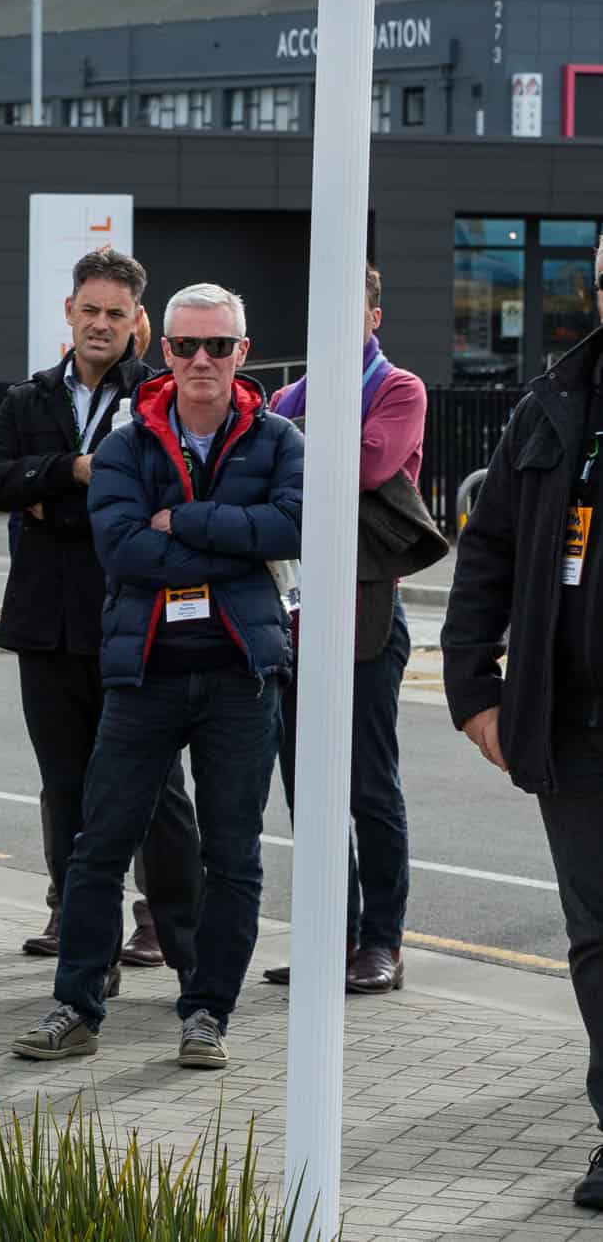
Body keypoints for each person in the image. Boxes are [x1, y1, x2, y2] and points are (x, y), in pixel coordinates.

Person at [12, 282, 301, 1071]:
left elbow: (295, 523)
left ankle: (206, 1012)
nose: (200, 360)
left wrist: (191, 521)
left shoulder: (278, 439)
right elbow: (124, 549)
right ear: (163, 347)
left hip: (242, 675)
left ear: (243, 351)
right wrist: (234, 547)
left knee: (233, 856)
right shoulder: (128, 444)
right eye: (184, 345)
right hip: (143, 673)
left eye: (217, 345)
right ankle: (77, 1004)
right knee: (98, 844)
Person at [0, 248, 200, 975]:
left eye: (115, 313)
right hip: (47, 622)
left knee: (156, 784)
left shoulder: (161, 395)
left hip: (138, 618)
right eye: (89, 310)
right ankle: (79, 924)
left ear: (138, 321)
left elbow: (163, 493)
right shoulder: (27, 397)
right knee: (64, 784)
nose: (100, 324)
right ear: (68, 313)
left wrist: (55, 505)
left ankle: (168, 926)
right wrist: (74, 470)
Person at [447, 236, 603, 1213]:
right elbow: (487, 550)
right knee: (595, 938)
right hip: (575, 723)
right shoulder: (555, 402)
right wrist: (472, 688)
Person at [266, 263, 438, 992]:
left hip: (368, 614)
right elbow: (264, 470)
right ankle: (330, 937)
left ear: (374, 316)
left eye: (349, 311)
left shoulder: (400, 389)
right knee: (310, 792)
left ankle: (382, 942)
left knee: (368, 786)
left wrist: (296, 442)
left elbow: (368, 464)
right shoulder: (283, 397)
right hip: (294, 614)